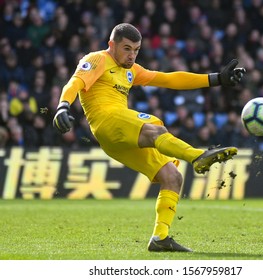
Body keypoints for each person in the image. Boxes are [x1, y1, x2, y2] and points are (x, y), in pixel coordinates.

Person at [53, 23, 245, 252]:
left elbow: (169, 79)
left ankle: (160, 238)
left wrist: (216, 79)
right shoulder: (97, 59)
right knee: (155, 128)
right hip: (108, 121)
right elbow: (74, 82)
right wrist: (63, 106)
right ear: (111, 44)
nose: (132, 55)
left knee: (172, 176)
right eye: (126, 48)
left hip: (117, 140)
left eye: (136, 49)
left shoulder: (131, 71)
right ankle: (198, 156)